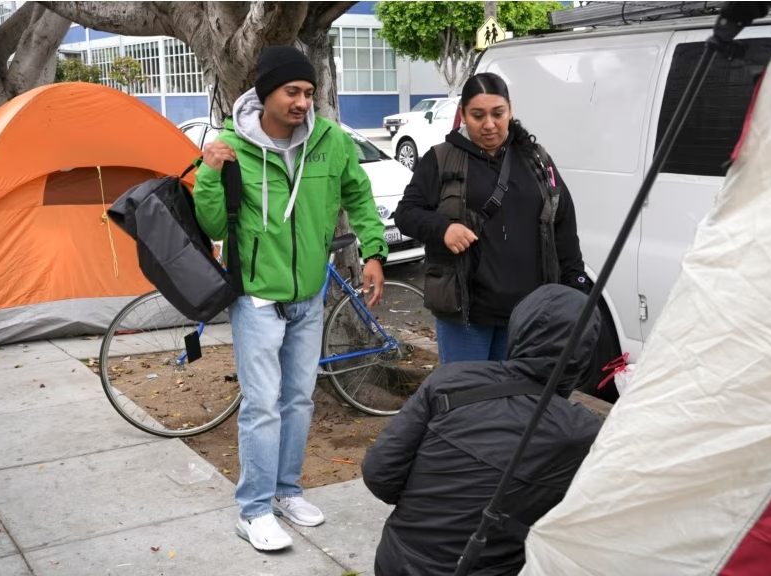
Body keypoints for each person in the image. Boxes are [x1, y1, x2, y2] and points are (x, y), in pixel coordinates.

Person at [193, 45, 389, 552]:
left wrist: (374, 250)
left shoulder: (329, 140)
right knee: (262, 407)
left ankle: (285, 492)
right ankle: (253, 510)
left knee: (298, 400)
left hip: (309, 295)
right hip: (258, 299)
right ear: (266, 93)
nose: (304, 102)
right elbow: (212, 224)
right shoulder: (232, 144)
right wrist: (210, 172)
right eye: (293, 92)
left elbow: (359, 195)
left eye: (309, 92)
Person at [362, 283, 604, 576]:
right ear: (585, 352)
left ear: (519, 330)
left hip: (397, 560)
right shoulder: (583, 432)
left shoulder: (450, 380)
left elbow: (379, 473)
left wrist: (432, 507)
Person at [394, 72, 592, 364]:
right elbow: (407, 213)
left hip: (529, 314)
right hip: (467, 316)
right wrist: (443, 229)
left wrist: (576, 287)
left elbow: (562, 222)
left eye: (498, 114)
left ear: (510, 110)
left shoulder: (535, 158)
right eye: (478, 115)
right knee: (469, 400)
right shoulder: (441, 159)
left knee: (516, 401)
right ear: (463, 114)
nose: (489, 124)